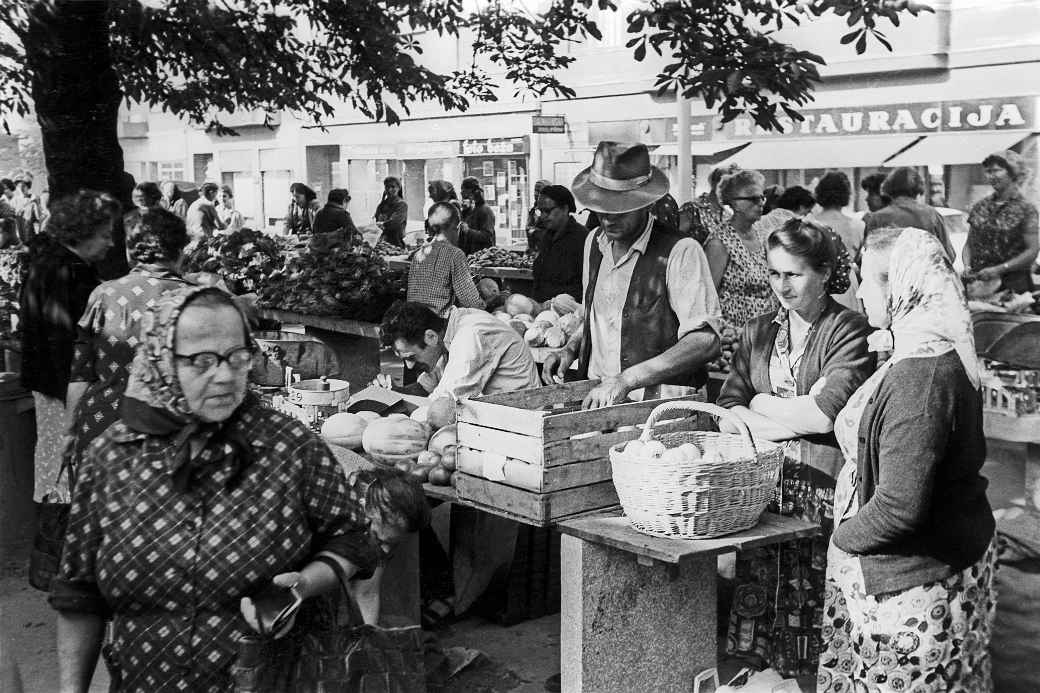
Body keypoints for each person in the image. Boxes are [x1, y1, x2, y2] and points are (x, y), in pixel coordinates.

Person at [49, 286, 388, 691]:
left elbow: (353, 538)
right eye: (202, 360)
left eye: (237, 356)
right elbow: (78, 596)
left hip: (273, 678)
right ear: (161, 359)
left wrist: (304, 584)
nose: (225, 375)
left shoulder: (290, 447)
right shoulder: (110, 458)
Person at [817, 227, 996, 692]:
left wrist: (843, 538)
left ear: (899, 286)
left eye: (865, 280)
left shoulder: (922, 379)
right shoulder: (928, 350)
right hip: (941, 557)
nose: (857, 291)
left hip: (910, 585)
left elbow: (899, 506)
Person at [717, 218, 874, 678]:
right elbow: (728, 406)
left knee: (815, 601)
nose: (780, 286)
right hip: (767, 490)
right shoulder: (758, 330)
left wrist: (760, 403)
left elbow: (824, 415)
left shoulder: (848, 331)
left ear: (824, 274)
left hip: (821, 492)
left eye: (793, 274)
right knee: (762, 595)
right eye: (773, 273)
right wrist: (790, 413)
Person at [542, 141, 722, 408]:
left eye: (620, 208)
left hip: (659, 409)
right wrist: (571, 348)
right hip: (597, 398)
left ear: (646, 203)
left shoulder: (681, 251)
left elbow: (705, 341)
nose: (608, 219)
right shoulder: (593, 243)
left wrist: (628, 379)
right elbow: (600, 317)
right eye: (602, 209)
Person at [63, 208, 193, 475]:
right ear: (180, 251)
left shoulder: (103, 294)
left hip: (103, 427)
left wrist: (68, 432)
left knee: (102, 512)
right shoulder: (198, 300)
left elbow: (80, 375)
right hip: (171, 432)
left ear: (131, 252)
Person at [19, 190, 119, 502]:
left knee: (53, 470)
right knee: (65, 475)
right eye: (105, 235)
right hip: (64, 391)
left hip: (50, 387)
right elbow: (69, 346)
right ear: (82, 233)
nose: (111, 243)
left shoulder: (49, 264)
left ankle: (55, 537)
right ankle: (63, 541)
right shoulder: (69, 273)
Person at [378, 301, 540, 423]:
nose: (410, 366)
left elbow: (444, 407)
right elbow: (425, 388)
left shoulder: (470, 336)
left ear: (431, 337)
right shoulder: (447, 331)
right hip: (498, 418)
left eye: (411, 357)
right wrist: (392, 393)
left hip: (521, 422)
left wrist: (392, 422)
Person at [704, 168, 780, 331]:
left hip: (764, 335)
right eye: (753, 199)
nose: (760, 203)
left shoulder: (762, 236)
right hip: (734, 338)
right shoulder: (719, 242)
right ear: (735, 203)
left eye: (762, 198)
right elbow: (707, 299)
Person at [963, 149, 1039, 293]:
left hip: (1013, 287)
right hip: (979, 286)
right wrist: (967, 266)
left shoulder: (1026, 209)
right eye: (988, 171)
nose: (991, 176)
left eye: (996, 170)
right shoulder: (980, 206)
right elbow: (969, 244)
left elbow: (1032, 251)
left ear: (1013, 173)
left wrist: (999, 269)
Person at [406, 202, 483, 318]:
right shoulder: (455, 254)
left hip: (414, 321)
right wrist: (488, 305)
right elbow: (470, 302)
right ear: (456, 227)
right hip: (438, 325)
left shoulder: (418, 254)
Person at [863, 167, 954, 260]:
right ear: (919, 188)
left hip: (890, 273)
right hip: (924, 272)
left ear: (888, 188)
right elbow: (949, 255)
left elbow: (870, 259)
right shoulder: (932, 215)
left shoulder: (877, 218)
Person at [810, 171, 865, 311]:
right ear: (846, 194)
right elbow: (857, 258)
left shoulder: (809, 223)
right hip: (847, 283)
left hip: (817, 283)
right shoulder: (858, 225)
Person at [530, 185, 587, 303]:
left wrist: (556, 302)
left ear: (565, 209)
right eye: (540, 211)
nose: (543, 216)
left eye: (547, 211)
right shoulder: (546, 236)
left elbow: (585, 285)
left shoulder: (582, 239)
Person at [678, 164, 741, 245]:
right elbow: (673, 240)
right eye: (731, 186)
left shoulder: (727, 215)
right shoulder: (692, 209)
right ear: (716, 184)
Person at [459, 177, 495, 254]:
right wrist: (465, 211)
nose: (461, 193)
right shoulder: (473, 209)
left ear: (471, 192)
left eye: (463, 190)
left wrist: (468, 231)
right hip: (471, 256)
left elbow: (487, 236)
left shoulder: (485, 210)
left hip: (481, 258)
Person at [375, 176, 408, 247]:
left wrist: (382, 225)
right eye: (387, 187)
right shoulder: (381, 205)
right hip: (381, 243)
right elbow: (376, 221)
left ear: (398, 188)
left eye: (393, 187)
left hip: (396, 244)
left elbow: (395, 222)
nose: (389, 190)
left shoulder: (401, 205)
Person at [525, 179, 553, 252]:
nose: (535, 193)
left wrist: (533, 231)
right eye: (535, 190)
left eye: (539, 191)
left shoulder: (552, 211)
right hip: (533, 250)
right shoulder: (534, 210)